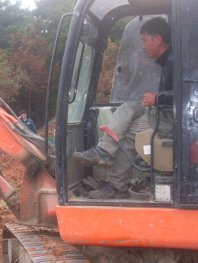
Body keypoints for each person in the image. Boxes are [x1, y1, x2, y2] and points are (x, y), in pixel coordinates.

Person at [72, 17, 173, 199]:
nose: (143, 46)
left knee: (129, 138)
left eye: (144, 41)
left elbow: (188, 95)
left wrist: (158, 98)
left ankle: (114, 178)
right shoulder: (169, 61)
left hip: (172, 119)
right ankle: (105, 152)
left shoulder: (174, 62)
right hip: (165, 113)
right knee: (129, 108)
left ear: (157, 39)